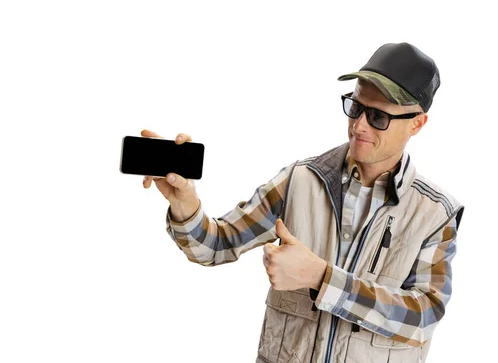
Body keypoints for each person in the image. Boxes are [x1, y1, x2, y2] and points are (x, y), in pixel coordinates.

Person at [142, 42, 464, 363]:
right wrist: (185, 205)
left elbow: (422, 316)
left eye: (378, 116)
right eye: (355, 107)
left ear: (417, 123)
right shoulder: (300, 181)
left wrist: (322, 277)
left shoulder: (435, 214)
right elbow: (216, 244)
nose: (359, 125)